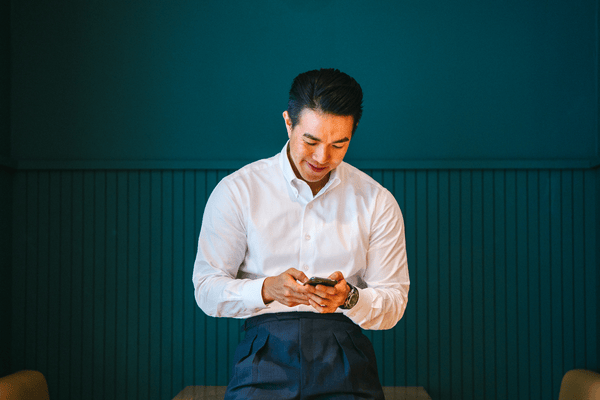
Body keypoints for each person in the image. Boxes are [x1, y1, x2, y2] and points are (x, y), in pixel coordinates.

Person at [192, 68, 410, 399]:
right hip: (262, 352)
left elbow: (393, 303)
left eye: (340, 144)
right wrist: (266, 289)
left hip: (345, 355)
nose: (323, 157)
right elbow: (206, 289)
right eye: (311, 140)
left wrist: (349, 298)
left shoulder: (376, 200)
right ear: (288, 123)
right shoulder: (238, 191)